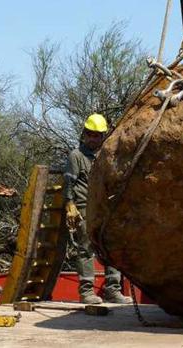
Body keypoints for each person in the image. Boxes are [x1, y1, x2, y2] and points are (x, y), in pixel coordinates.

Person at [63, 113, 131, 304]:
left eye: (97, 135)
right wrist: (70, 204)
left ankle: (112, 290)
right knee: (85, 249)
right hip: (84, 208)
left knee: (110, 246)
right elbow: (69, 181)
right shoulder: (76, 156)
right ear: (84, 134)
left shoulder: (106, 155)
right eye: (90, 134)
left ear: (103, 136)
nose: (93, 138)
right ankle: (86, 292)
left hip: (104, 208)